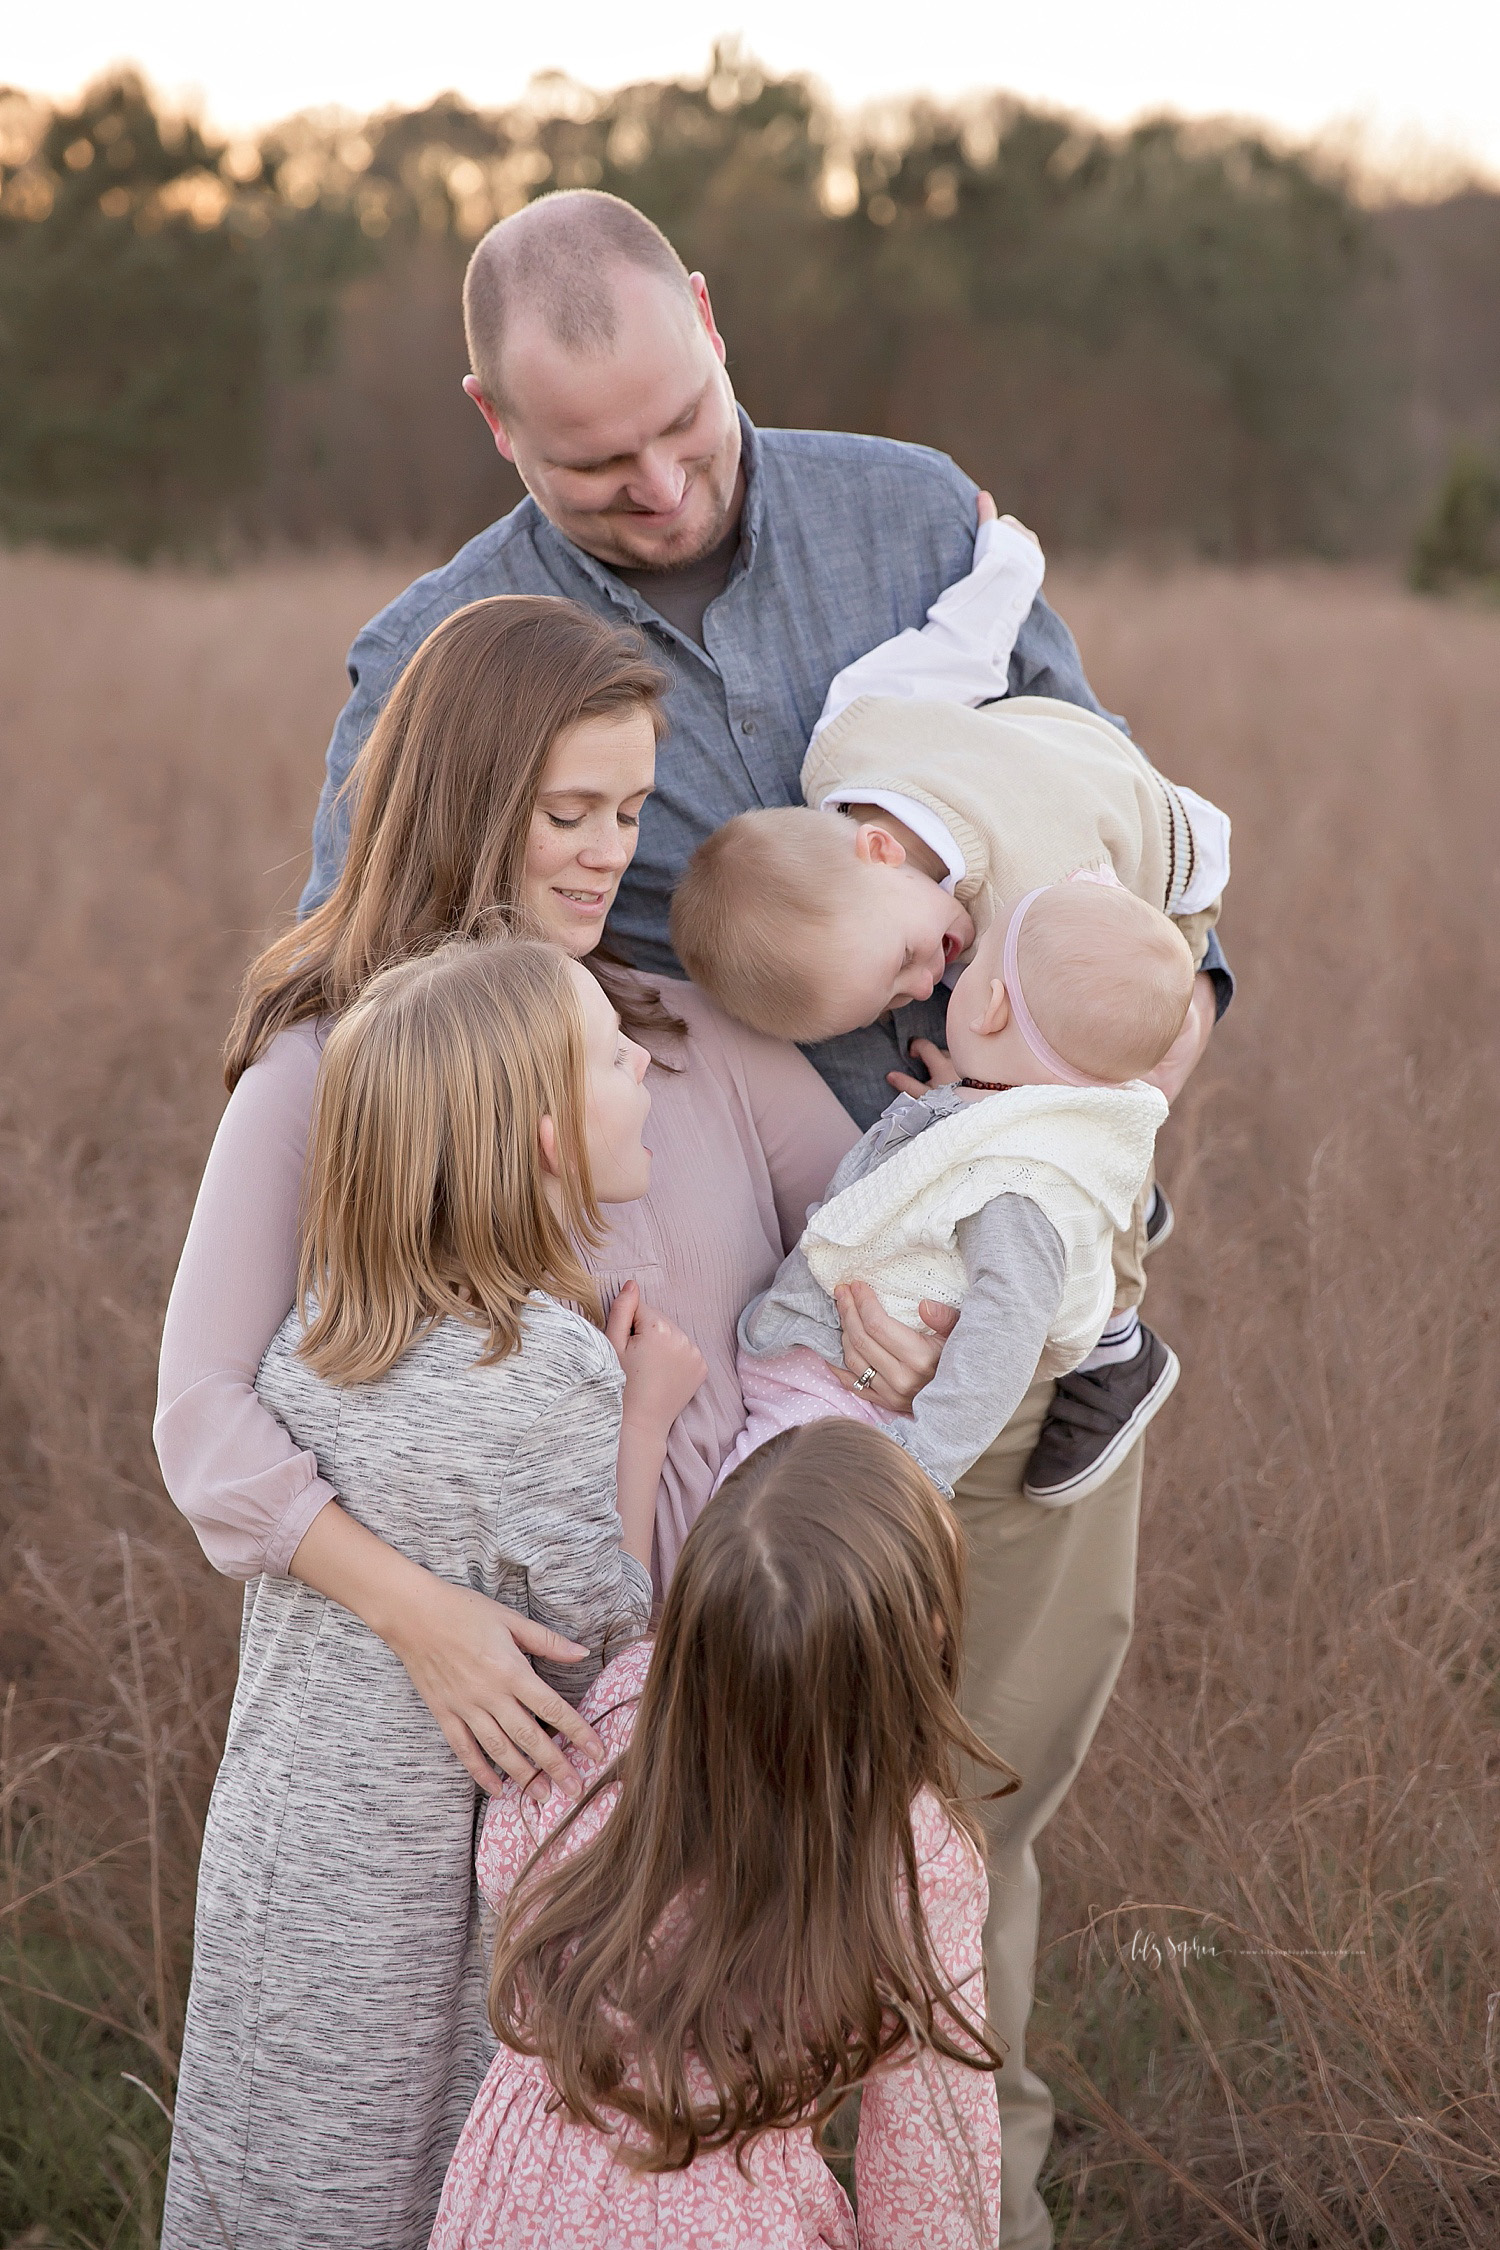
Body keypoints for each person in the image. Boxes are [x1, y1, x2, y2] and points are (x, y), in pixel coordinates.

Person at [290, 191, 1233, 2245]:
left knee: (952, 1837)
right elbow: (365, 1010)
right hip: (733, 1375)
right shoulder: (438, 657)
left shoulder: (911, 525)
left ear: (713, 324)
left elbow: (1113, 858)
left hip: (1007, 1318)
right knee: (681, 1826)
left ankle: (964, 2201)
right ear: (488, 424)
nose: (658, 483)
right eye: (590, 464)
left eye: (684, 425)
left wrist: (1095, 1133)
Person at [156, 594, 945, 1803]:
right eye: (567, 814)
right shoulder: (328, 1063)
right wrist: (424, 1620)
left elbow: (886, 1220)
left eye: (629, 812)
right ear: (464, 803)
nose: (609, 852)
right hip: (464, 1723)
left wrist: (900, 1331)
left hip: (737, 1699)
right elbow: (201, 1421)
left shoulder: (681, 1034)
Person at [163, 939, 707, 2250]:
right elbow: (594, 1665)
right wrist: (643, 1424)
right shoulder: (543, 1379)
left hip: (278, 1866)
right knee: (386, 2192)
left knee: (256, 2171)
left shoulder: (323, 1340)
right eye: (614, 1057)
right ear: (545, 1138)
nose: (646, 1069)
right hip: (408, 1906)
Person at [670, 502, 1230, 1495]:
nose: (926, 985)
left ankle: (1114, 1339)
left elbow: (962, 644)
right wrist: (1007, 564)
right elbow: (952, 655)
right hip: (1036, 751)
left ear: (876, 849)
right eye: (897, 993)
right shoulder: (852, 747)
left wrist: (1006, 564)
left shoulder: (1043, 910)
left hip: (1158, 858)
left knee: (1094, 1106)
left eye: (904, 963)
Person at [430, 1420, 1010, 2250]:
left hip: (520, 2194)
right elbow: (931, 2172)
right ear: (923, 1641)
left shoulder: (624, 1707)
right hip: (730, 2218)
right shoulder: (912, 1856)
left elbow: (506, 1866)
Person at [717, 880, 1191, 1502]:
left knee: (745, 1528)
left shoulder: (1021, 1188)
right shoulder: (1004, 1123)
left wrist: (923, 1467)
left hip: (839, 1410)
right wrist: (959, 1094)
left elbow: (1007, 1328)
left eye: (975, 966)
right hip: (822, 1384)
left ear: (988, 1006)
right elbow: (993, 1126)